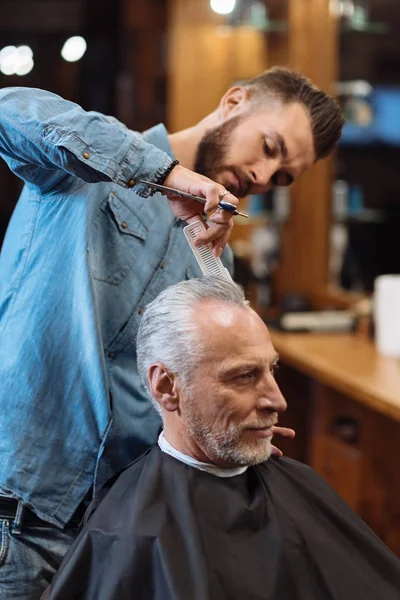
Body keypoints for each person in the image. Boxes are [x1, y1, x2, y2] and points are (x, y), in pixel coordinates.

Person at [0, 67, 344, 598]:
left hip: (114, 531)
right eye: (269, 146)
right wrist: (164, 174)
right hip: (18, 519)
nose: (263, 175)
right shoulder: (90, 164)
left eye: (282, 177)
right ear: (234, 101)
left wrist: (229, 422)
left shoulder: (205, 246)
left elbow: (172, 388)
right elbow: (10, 109)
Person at [42, 276, 400, 600]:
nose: (278, 400)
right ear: (167, 387)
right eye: (244, 376)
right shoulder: (127, 536)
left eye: (270, 370)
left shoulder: (299, 485)